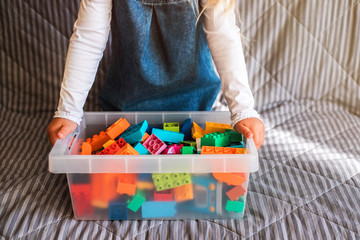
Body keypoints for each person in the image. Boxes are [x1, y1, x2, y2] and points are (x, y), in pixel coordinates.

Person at [47, 0, 265, 149]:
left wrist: (243, 110)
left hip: (198, 105)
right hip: (125, 107)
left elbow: (224, 37)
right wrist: (69, 112)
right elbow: (88, 38)